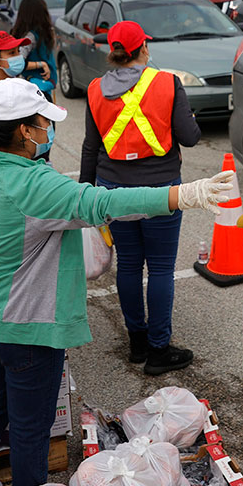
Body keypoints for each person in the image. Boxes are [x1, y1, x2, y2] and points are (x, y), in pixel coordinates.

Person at [0, 77, 234, 486]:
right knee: (31, 427)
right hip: (23, 327)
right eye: (43, 122)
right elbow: (103, 203)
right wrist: (181, 195)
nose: (49, 130)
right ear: (25, 131)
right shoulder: (33, 185)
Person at [79, 21, 202, 375]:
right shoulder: (167, 82)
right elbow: (190, 137)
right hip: (161, 189)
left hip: (112, 189)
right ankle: (159, 350)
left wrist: (86, 194)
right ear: (143, 49)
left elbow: (91, 146)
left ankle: (137, 342)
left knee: (130, 265)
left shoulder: (95, 89)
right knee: (161, 268)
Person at [11, 0, 57, 99]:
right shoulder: (30, 37)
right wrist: (41, 64)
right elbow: (17, 63)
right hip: (34, 89)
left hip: (43, 86)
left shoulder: (44, 33)